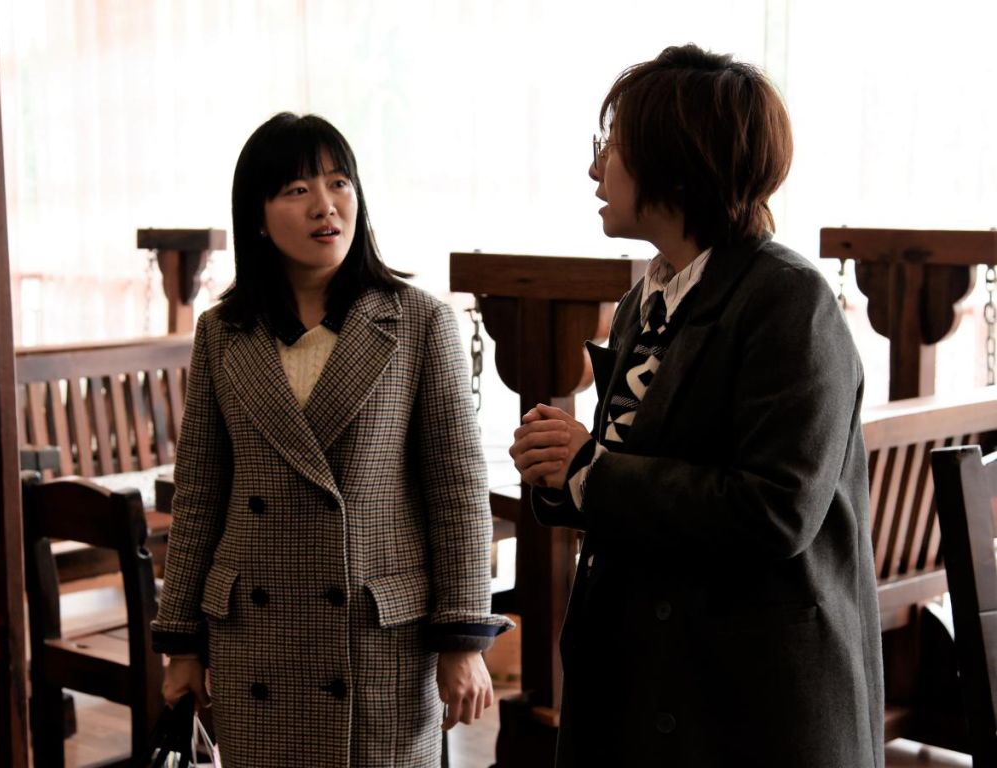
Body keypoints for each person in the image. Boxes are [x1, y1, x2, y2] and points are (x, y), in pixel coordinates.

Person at [509, 45, 883, 768]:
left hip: (745, 703)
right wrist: (563, 470)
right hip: (648, 679)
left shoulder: (789, 299)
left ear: (676, 165)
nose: (595, 170)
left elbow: (776, 510)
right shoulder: (645, 300)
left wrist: (590, 471)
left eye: (612, 147)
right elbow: (634, 472)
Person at [152, 112, 512, 768]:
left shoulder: (419, 322)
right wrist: (181, 644)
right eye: (297, 190)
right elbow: (200, 496)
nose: (325, 205)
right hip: (257, 642)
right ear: (258, 218)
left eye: (339, 182)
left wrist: (464, 640)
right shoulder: (223, 332)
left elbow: (458, 494)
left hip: (377, 641)